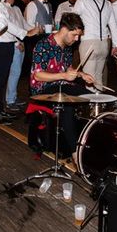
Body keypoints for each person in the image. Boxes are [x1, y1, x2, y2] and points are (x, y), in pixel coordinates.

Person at [30, 13, 95, 160]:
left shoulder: (66, 47)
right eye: (75, 35)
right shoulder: (44, 45)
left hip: (60, 85)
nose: (77, 39)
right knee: (68, 104)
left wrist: (80, 74)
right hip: (42, 89)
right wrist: (64, 76)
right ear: (64, 29)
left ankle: (87, 144)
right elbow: (38, 75)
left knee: (89, 96)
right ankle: (74, 153)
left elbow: (67, 69)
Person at [0, 0, 40, 124]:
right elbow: (6, 24)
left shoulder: (1, 2)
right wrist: (26, 33)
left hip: (6, 44)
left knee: (1, 81)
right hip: (0, 45)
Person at [73, 0, 117, 89]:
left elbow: (73, 19)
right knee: (98, 78)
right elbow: (113, 25)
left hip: (88, 43)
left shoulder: (82, 0)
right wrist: (115, 45)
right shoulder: (107, 3)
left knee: (89, 79)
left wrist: (75, 36)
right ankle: (98, 104)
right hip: (103, 44)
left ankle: (91, 104)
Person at [4, 0, 31, 112]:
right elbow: (7, 29)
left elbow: (24, 25)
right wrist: (17, 42)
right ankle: (10, 100)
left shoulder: (17, 9)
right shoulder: (5, 9)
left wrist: (36, 29)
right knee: (14, 72)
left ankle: (13, 97)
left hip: (21, 43)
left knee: (17, 72)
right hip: (14, 44)